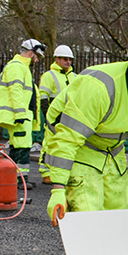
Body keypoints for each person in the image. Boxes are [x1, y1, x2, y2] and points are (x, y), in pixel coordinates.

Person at [43, 25, 128, 226]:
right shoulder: (98, 87)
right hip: (82, 149)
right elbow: (67, 140)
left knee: (118, 221)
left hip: (112, 152)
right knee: (88, 221)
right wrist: (58, 188)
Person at [0, 39, 44, 188]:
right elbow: (15, 92)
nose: (37, 60)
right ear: (31, 52)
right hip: (19, 116)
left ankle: (19, 178)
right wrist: (20, 115)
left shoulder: (21, 67)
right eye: (37, 56)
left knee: (20, 146)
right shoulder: (17, 67)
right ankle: (19, 179)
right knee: (21, 147)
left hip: (22, 115)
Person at [37, 44, 75, 185]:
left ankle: (63, 172)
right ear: (56, 59)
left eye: (70, 59)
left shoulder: (75, 77)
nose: (68, 62)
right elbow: (43, 98)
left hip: (69, 116)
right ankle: (46, 172)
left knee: (66, 145)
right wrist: (49, 117)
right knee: (49, 144)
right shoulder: (49, 76)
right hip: (54, 115)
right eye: (65, 59)